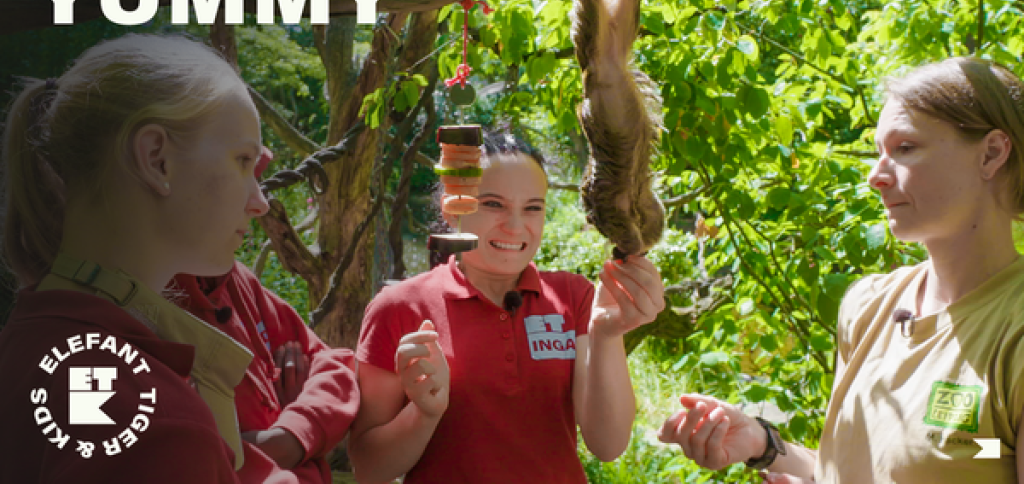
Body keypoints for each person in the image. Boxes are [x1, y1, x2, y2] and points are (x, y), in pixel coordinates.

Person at [657, 57, 1024, 483]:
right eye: (878, 152)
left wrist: (976, 448)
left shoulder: (1013, 332)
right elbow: (862, 465)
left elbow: (976, 453)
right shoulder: (868, 305)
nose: (875, 176)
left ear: (991, 154)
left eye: (905, 148)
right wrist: (762, 445)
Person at [0, 33, 270, 483]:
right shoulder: (160, 430)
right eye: (243, 160)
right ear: (156, 159)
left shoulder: (27, 342)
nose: (260, 202)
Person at [347, 132, 667, 483]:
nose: (515, 226)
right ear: (453, 208)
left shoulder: (574, 297)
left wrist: (605, 334)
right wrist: (424, 413)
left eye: (533, 208)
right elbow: (369, 469)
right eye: (493, 204)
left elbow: (608, 445)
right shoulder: (398, 308)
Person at [172, 181, 359, 484]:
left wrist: (292, 431)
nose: (261, 203)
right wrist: (285, 442)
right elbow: (180, 458)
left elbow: (336, 367)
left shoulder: (232, 279)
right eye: (241, 164)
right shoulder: (119, 321)